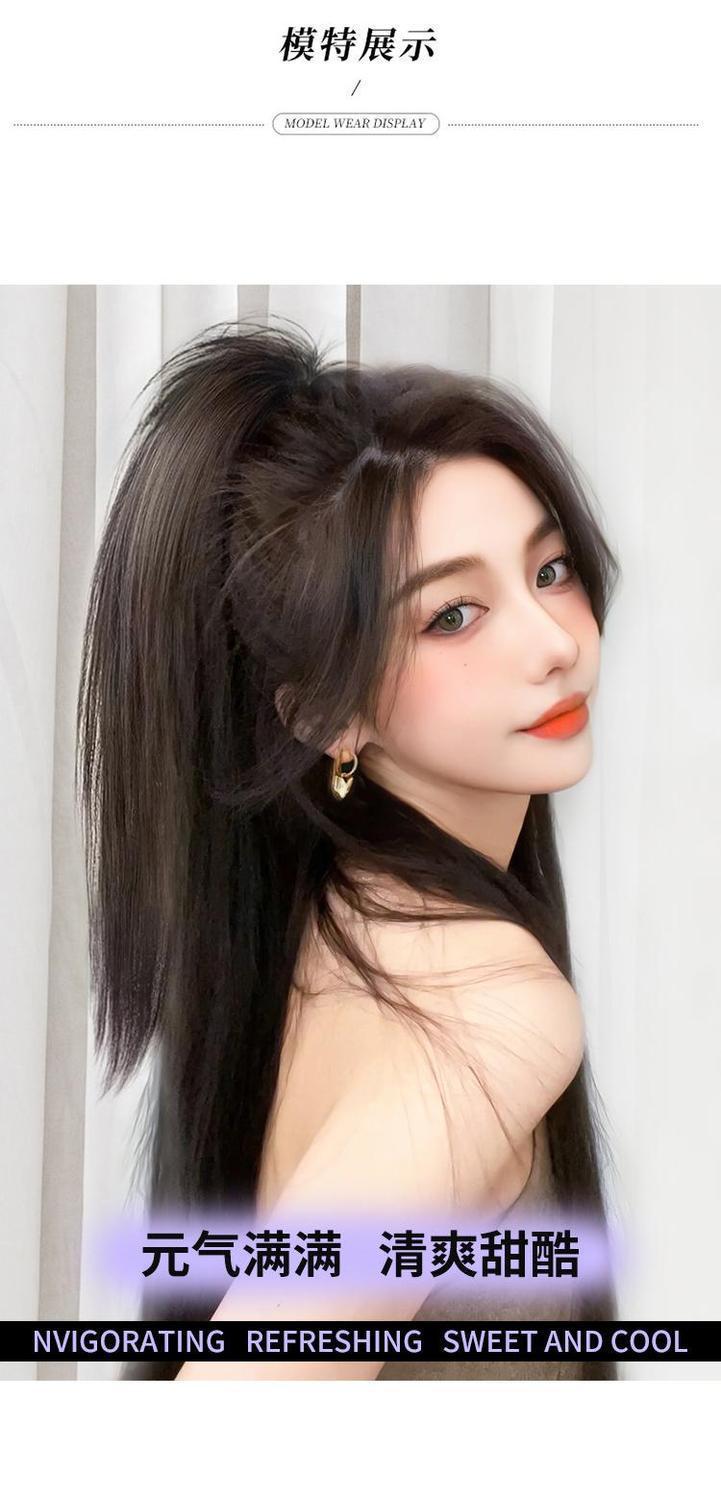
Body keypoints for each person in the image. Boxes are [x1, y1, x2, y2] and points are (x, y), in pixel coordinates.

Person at [76, 317, 622, 1380]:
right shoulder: (485, 1007)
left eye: (549, 568)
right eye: (453, 615)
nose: (555, 642)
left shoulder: (327, 914)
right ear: (327, 711)